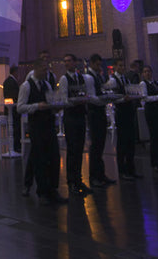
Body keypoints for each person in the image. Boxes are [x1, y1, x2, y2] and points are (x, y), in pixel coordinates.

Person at [18, 55, 65, 204]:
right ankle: (42, 191)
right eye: (44, 69)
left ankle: (53, 189)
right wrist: (37, 106)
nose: (46, 72)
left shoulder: (47, 85)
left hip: (49, 124)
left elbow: (50, 101)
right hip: (36, 126)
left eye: (47, 69)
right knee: (39, 158)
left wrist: (55, 108)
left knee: (54, 156)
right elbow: (20, 107)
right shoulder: (26, 86)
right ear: (36, 69)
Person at [57, 54, 93, 197]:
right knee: (72, 149)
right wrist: (76, 101)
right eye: (65, 61)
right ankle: (71, 181)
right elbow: (63, 98)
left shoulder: (80, 77)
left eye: (69, 61)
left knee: (79, 149)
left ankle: (78, 180)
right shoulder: (64, 79)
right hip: (71, 116)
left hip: (80, 115)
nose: (66, 63)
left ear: (75, 62)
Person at [109, 58, 142, 180]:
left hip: (129, 111)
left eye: (123, 65)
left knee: (130, 142)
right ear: (115, 67)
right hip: (121, 111)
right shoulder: (113, 80)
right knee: (122, 142)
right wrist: (124, 99)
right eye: (120, 65)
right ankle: (122, 171)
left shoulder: (126, 79)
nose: (122, 67)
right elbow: (112, 97)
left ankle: (131, 169)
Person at [86, 54, 114, 187]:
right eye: (97, 64)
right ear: (91, 63)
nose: (99, 67)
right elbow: (91, 97)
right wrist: (104, 99)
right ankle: (94, 176)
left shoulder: (98, 76)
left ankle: (100, 174)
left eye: (99, 64)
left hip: (100, 112)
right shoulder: (89, 77)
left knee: (100, 145)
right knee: (96, 145)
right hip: (94, 113)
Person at [140, 65, 158, 172]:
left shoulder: (157, 83)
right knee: (154, 137)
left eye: (149, 71)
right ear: (143, 74)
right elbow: (145, 98)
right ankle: (155, 163)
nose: (147, 73)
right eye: (145, 71)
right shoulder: (143, 84)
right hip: (151, 111)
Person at [2, 67, 22, 156]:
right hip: (13, 108)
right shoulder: (10, 82)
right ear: (15, 72)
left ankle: (15, 146)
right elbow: (12, 95)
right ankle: (15, 146)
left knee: (15, 127)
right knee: (15, 127)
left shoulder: (7, 81)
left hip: (12, 108)